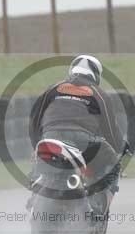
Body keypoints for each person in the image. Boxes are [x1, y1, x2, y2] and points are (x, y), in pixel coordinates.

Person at [29, 55, 128, 213]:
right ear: (96, 75)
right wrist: (119, 146)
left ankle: (34, 189)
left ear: (71, 71)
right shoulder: (98, 93)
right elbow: (110, 129)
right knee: (113, 164)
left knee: (38, 161)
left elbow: (35, 120)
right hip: (83, 140)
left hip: (50, 137)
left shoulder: (53, 88)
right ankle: (97, 207)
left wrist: (37, 145)